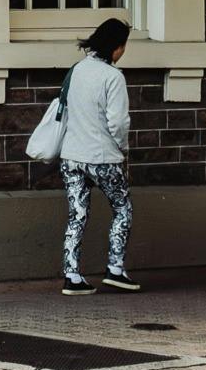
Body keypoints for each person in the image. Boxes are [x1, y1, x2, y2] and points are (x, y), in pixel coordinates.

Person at [52, 17, 141, 295]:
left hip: (71, 157)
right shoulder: (113, 77)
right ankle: (115, 269)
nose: (123, 51)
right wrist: (123, 149)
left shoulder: (77, 70)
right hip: (102, 157)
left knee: (77, 214)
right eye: (123, 45)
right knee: (122, 209)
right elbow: (117, 122)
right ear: (116, 47)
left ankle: (72, 276)